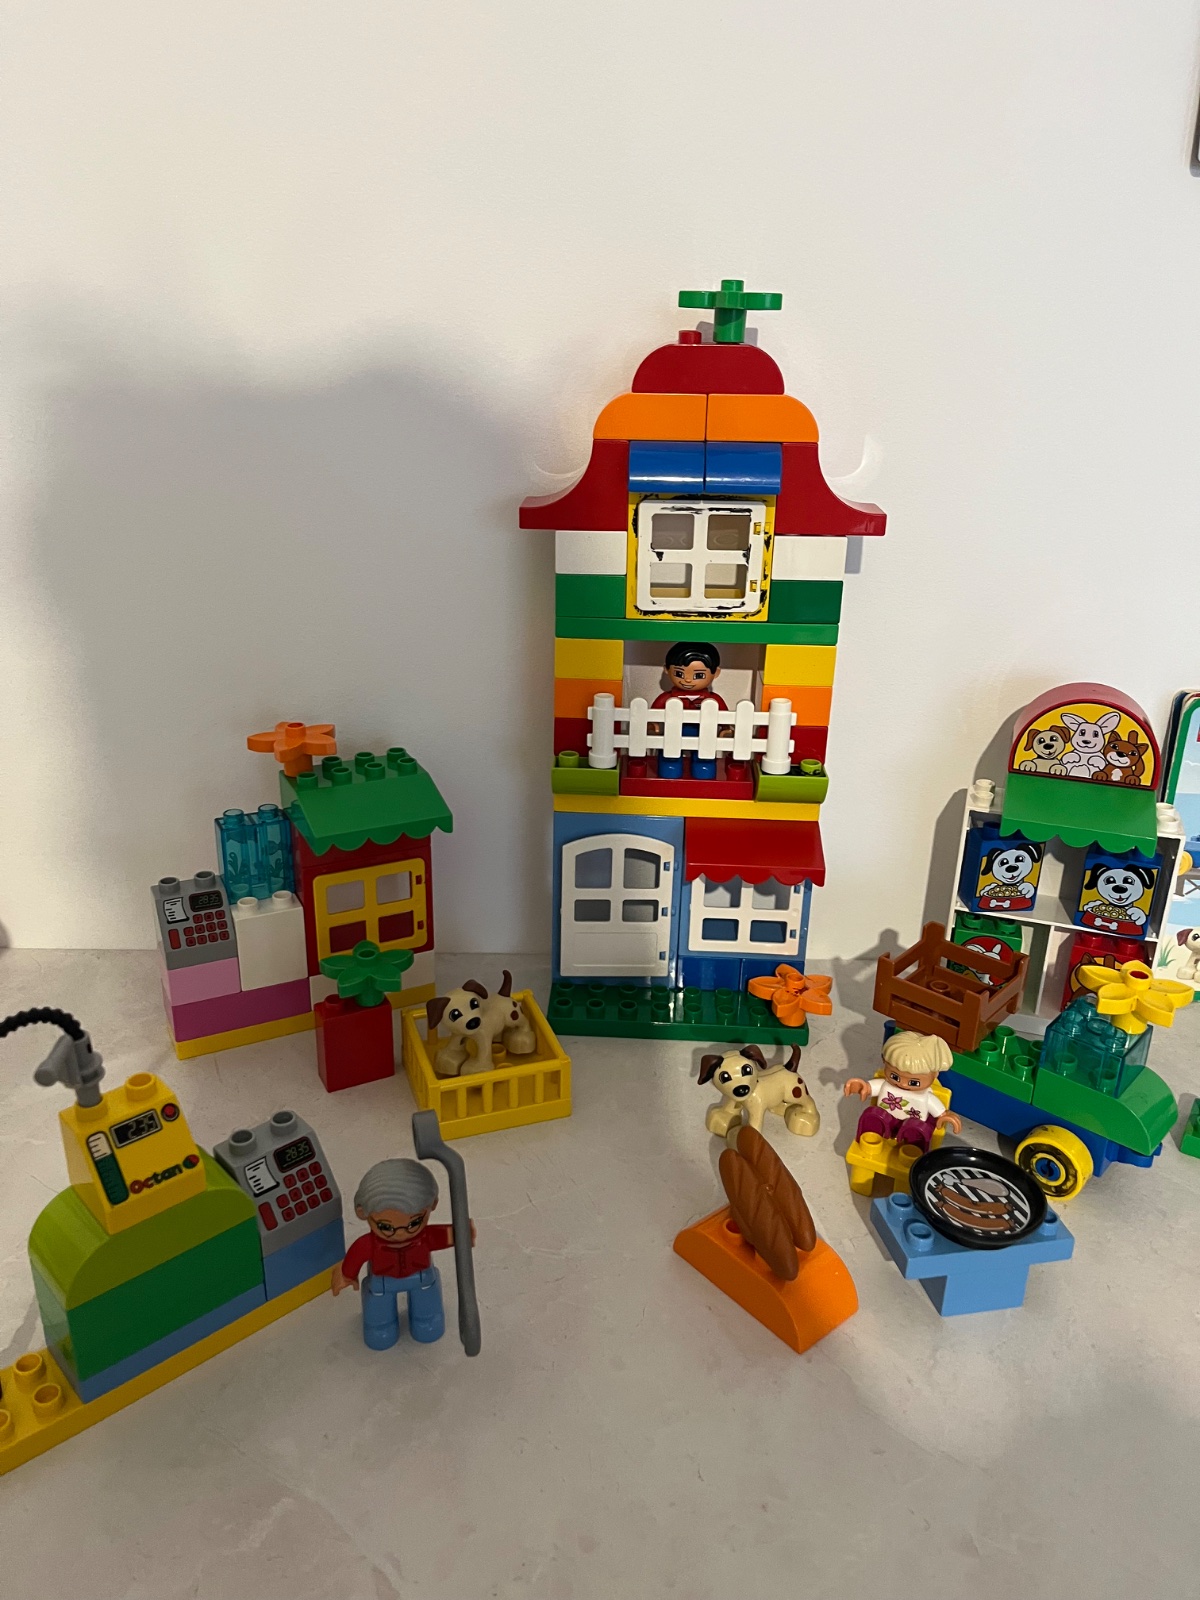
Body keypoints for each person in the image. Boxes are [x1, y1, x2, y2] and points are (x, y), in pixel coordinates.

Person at [332, 1157, 469, 1350]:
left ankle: (427, 1319)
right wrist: (347, 1274)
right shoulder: (369, 1244)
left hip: (421, 1277)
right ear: (362, 1213)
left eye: (414, 1223)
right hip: (382, 1282)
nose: (401, 1233)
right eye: (386, 1226)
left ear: (433, 1204)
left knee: (427, 1303)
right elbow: (356, 1255)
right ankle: (380, 1326)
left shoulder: (426, 1238)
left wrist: (464, 1233)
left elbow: (449, 1235)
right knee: (378, 1308)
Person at [843, 1031, 962, 1153]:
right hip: (887, 1119)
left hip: (913, 1125)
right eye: (895, 1076)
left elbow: (938, 1111)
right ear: (885, 1063)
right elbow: (869, 1087)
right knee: (873, 1115)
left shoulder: (925, 1097)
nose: (903, 1084)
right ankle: (871, 1138)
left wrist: (943, 1116)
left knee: (916, 1128)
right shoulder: (886, 1085)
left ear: (934, 1075)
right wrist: (863, 1087)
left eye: (913, 1082)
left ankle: (913, 1151)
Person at [650, 642, 729, 780]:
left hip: (703, 735)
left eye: (698, 675)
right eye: (679, 673)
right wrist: (652, 724)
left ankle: (703, 762)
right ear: (666, 670)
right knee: (670, 754)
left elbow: (724, 716)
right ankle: (670, 761)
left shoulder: (712, 700)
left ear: (716, 673)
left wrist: (726, 728)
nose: (687, 679)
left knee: (704, 757)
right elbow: (653, 714)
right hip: (672, 734)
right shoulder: (667, 698)